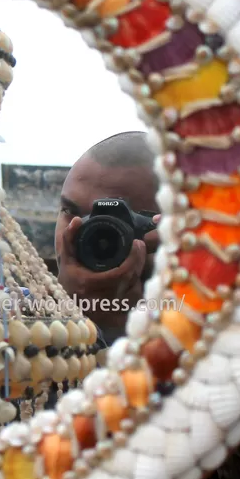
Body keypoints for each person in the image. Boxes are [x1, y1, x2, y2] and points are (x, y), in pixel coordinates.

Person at [54, 131, 162, 345]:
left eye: (111, 222)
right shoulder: (7, 313)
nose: (79, 233)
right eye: (70, 210)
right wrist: (64, 314)